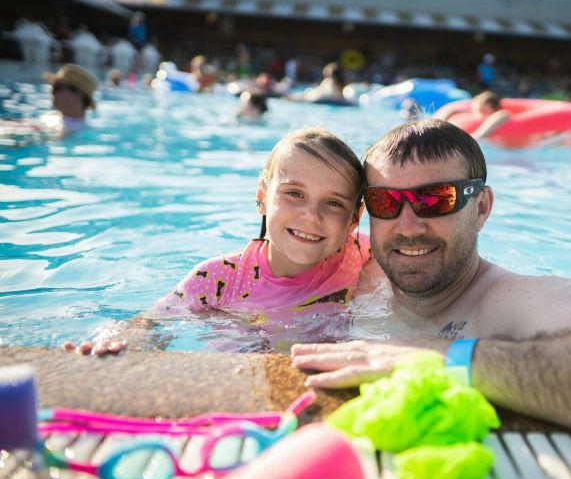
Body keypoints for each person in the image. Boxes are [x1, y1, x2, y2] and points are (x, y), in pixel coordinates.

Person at [291, 119, 571, 444]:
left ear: (483, 207)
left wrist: (441, 357)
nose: (408, 226)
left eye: (437, 199)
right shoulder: (360, 274)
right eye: (386, 203)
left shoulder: (512, 301)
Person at [67, 128, 371, 355]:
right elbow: (154, 322)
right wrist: (113, 342)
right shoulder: (219, 278)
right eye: (294, 193)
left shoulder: (363, 254)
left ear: (353, 219)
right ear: (263, 198)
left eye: (333, 203)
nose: (311, 215)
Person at [0, 63, 98, 142]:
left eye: (57, 87)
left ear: (78, 94)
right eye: (52, 86)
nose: (51, 91)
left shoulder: (77, 129)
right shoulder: (53, 115)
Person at [434, 91, 510, 140]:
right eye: (476, 110)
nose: (478, 114)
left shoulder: (500, 115)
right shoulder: (468, 115)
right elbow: (451, 110)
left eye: (483, 111)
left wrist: (475, 137)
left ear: (494, 110)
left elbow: (503, 115)